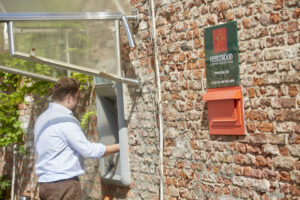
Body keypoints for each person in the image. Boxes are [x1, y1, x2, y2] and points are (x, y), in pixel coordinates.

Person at [34, 77, 120, 200]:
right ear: (69, 98)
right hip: (64, 186)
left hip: (45, 186)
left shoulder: (42, 118)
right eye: (77, 99)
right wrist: (120, 146)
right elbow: (89, 150)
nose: (78, 103)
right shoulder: (64, 120)